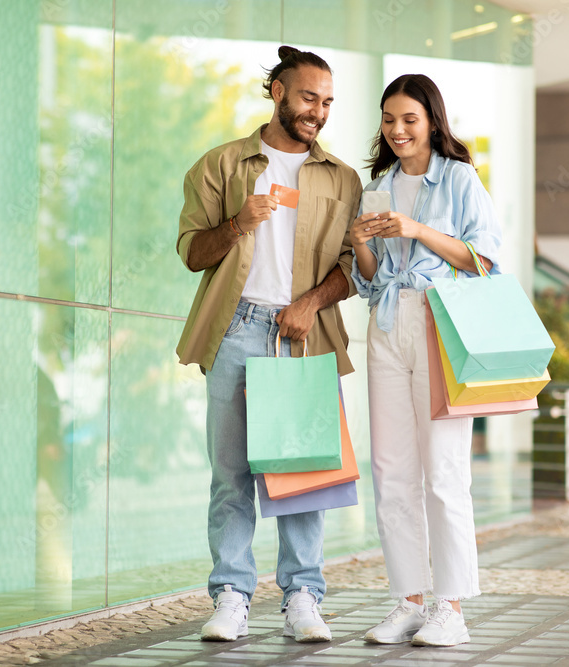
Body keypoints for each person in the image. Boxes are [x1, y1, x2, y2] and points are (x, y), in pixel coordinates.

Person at [175, 46, 362, 643]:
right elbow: (191, 253)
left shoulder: (342, 177)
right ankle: (231, 595)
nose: (319, 111)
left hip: (303, 334)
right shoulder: (222, 165)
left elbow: (354, 264)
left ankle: (304, 597)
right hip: (235, 329)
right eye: (309, 97)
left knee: (303, 472)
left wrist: (309, 304)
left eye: (328, 101)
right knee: (230, 473)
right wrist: (239, 224)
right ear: (277, 93)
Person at [350, 74, 501, 647]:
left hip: (440, 324)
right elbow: (367, 279)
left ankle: (452, 608)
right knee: (391, 473)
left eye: (409, 119)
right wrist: (360, 239)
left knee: (443, 473)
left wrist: (418, 230)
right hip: (386, 324)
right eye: (389, 120)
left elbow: (484, 260)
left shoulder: (459, 178)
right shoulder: (379, 185)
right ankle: (408, 601)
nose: (396, 130)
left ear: (432, 121)